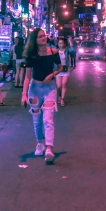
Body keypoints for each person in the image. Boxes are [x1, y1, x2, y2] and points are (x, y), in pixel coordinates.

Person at [22, 28, 63, 164]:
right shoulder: (31, 55)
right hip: (34, 89)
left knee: (48, 119)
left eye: (44, 36)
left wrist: (52, 74)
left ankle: (49, 148)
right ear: (35, 40)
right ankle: (40, 143)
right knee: (37, 119)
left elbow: (60, 67)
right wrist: (24, 94)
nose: (43, 38)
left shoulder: (53, 51)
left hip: (50, 88)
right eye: (40, 37)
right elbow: (27, 77)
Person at [55, 38, 71, 107]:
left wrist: (70, 42)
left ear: (64, 44)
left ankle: (62, 99)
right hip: (58, 70)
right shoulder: (56, 51)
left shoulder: (67, 50)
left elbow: (73, 50)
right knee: (59, 86)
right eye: (59, 43)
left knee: (64, 84)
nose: (60, 45)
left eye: (61, 43)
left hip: (65, 69)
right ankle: (59, 96)